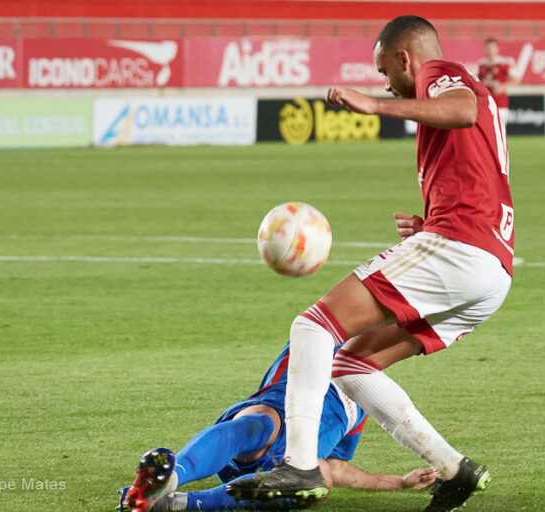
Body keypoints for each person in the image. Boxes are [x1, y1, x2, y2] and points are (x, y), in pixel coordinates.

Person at [228, 15, 514, 512]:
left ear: (405, 58)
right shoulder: (460, 89)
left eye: (384, 71)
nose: (384, 82)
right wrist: (430, 223)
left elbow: (462, 110)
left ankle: (299, 465)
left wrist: (373, 105)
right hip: (491, 270)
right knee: (351, 363)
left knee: (313, 326)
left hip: (460, 248)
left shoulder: (441, 72)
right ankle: (452, 468)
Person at [117, 341, 436, 512]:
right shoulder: (320, 341)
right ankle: (170, 477)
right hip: (254, 442)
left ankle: (171, 503)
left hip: (288, 471)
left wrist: (399, 483)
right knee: (262, 421)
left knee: (321, 476)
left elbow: (339, 467)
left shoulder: (366, 398)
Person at [477, 37, 520, 132]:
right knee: (486, 132)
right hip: (485, 104)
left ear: (497, 49)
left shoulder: (504, 63)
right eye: (488, 47)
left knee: (500, 131)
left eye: (492, 47)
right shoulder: (481, 64)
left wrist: (502, 87)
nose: (490, 50)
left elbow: (516, 80)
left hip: (500, 103)